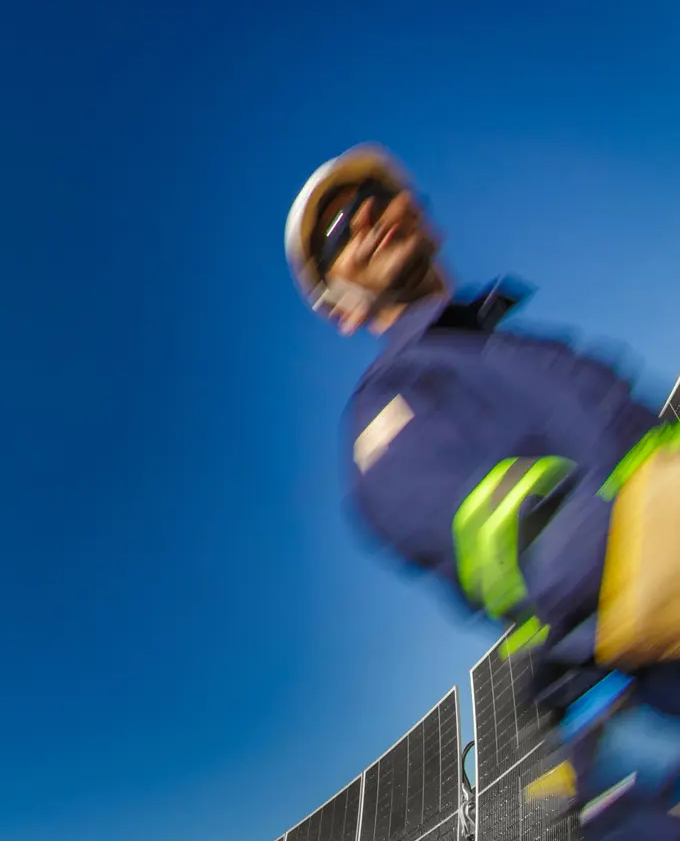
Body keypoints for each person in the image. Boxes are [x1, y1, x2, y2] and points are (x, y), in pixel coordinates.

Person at [287, 145, 680, 840]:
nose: (365, 218)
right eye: (337, 234)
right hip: (651, 717)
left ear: (420, 212)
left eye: (376, 195)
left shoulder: (528, 352)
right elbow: (535, 546)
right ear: (339, 310)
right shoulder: (389, 414)